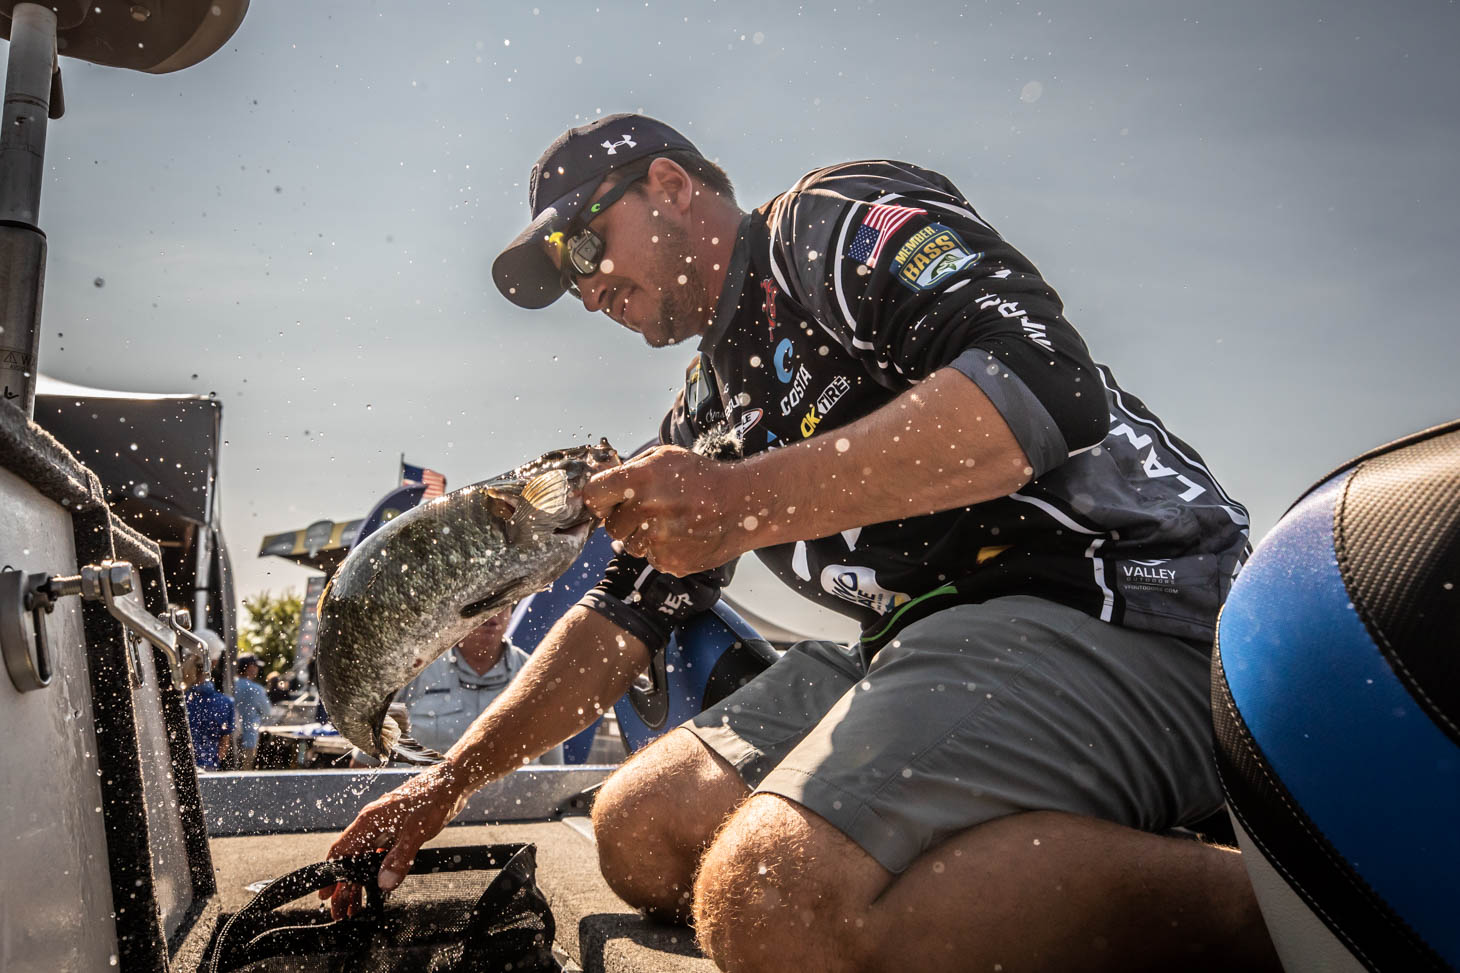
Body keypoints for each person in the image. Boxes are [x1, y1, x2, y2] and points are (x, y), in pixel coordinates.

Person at [327, 114, 1279, 971]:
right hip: (919, 645)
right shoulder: (705, 411)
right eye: (568, 278)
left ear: (671, 185)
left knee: (767, 900)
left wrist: (737, 500)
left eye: (584, 244)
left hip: (1130, 606)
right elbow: (622, 617)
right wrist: (443, 786)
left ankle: (1294, 908)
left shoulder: (827, 228)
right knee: (639, 833)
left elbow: (1043, 384)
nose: (587, 289)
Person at [346, 604, 564, 766]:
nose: (492, 614)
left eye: (502, 604)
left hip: (512, 813)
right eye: (481, 604)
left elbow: (553, 775)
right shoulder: (412, 672)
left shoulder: (536, 675)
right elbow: (365, 764)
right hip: (422, 811)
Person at [183, 652, 235, 772]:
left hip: (184, 766)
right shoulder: (225, 702)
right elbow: (225, 742)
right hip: (210, 765)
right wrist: (214, 761)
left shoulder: (182, 700)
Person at [232, 653, 274, 770]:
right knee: (245, 772)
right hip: (249, 738)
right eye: (256, 666)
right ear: (250, 668)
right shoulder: (256, 689)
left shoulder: (230, 686)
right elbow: (267, 712)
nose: (257, 669)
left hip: (229, 738)